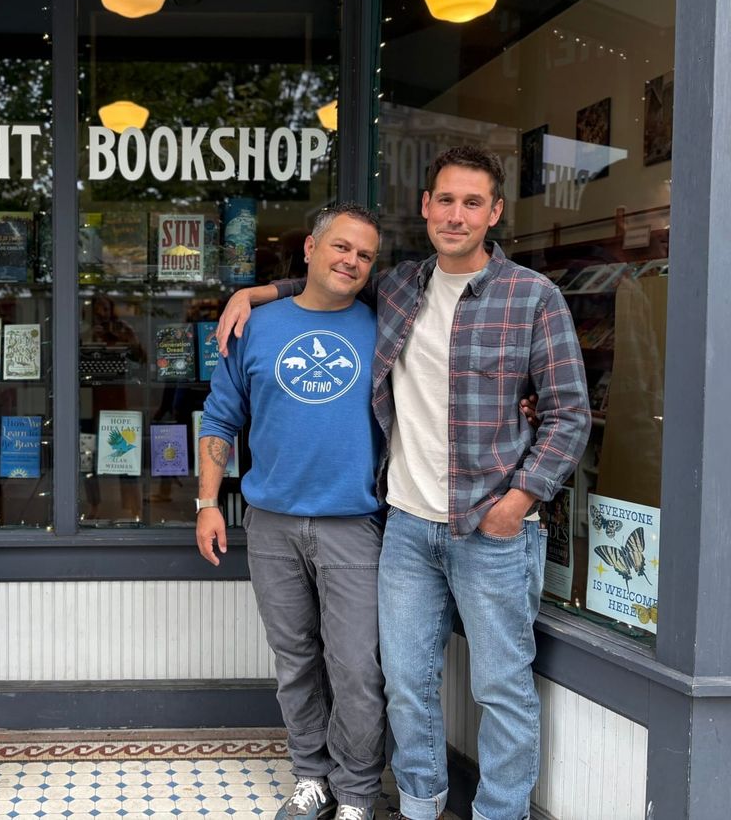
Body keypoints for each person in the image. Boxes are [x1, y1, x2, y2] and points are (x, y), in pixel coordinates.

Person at [217, 145, 590, 820]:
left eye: (472, 202)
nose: (456, 214)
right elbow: (328, 281)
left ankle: (499, 813)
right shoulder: (400, 288)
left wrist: (520, 500)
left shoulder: (533, 298)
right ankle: (421, 806)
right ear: (425, 207)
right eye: (444, 199)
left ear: (495, 212)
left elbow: (568, 414)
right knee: (405, 685)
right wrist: (255, 292)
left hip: (494, 527)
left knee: (501, 688)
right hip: (408, 527)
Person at [198, 203, 388, 820]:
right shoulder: (256, 326)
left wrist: (254, 288)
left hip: (353, 524)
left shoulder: (385, 323)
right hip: (272, 524)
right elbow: (222, 418)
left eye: (363, 255)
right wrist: (207, 502)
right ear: (310, 248)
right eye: (341, 247)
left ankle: (357, 791)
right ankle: (312, 776)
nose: (351, 261)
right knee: (295, 661)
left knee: (357, 666)